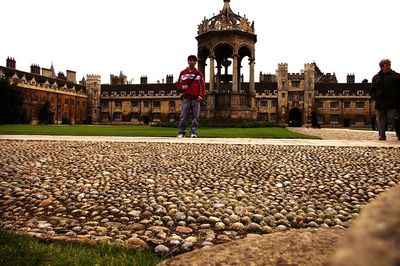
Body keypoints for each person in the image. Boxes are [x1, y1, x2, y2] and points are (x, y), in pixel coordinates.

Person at [175, 55, 206, 138]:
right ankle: (181, 132)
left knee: (195, 117)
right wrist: (182, 87)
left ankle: (193, 132)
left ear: (196, 62)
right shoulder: (183, 73)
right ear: (188, 61)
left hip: (196, 98)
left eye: (194, 60)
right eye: (190, 60)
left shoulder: (199, 74)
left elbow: (203, 87)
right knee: (183, 116)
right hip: (186, 98)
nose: (192, 62)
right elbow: (178, 83)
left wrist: (201, 96)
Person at [370, 59, 400, 140]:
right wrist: (375, 97)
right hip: (380, 102)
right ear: (381, 66)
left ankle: (399, 134)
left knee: (393, 118)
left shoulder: (396, 76)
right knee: (381, 120)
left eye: (389, 65)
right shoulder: (376, 77)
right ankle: (382, 136)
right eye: (387, 65)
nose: (389, 66)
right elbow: (372, 90)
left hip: (393, 102)